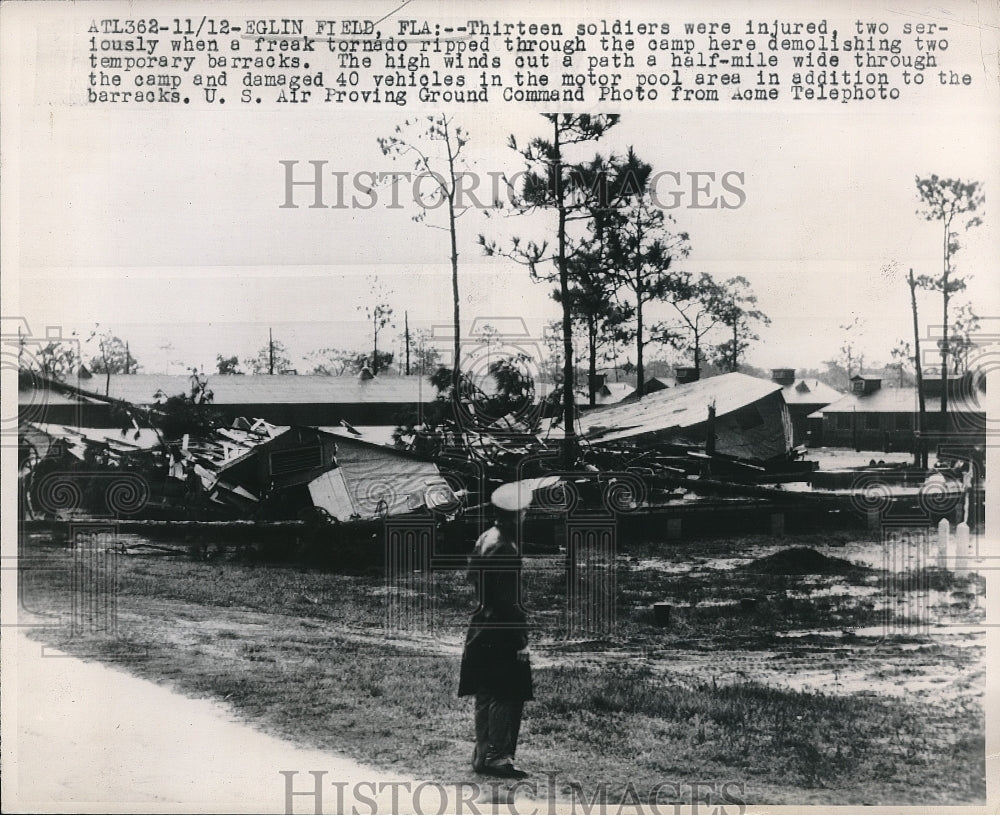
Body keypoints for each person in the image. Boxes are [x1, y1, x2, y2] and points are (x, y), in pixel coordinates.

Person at [458, 485, 533, 779]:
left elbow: (471, 576)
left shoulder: (486, 537)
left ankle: (482, 754)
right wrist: (521, 640)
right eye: (524, 512)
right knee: (507, 693)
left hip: (481, 626)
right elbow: (509, 601)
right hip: (501, 630)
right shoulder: (508, 548)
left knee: (487, 693)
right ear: (516, 515)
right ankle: (498, 758)